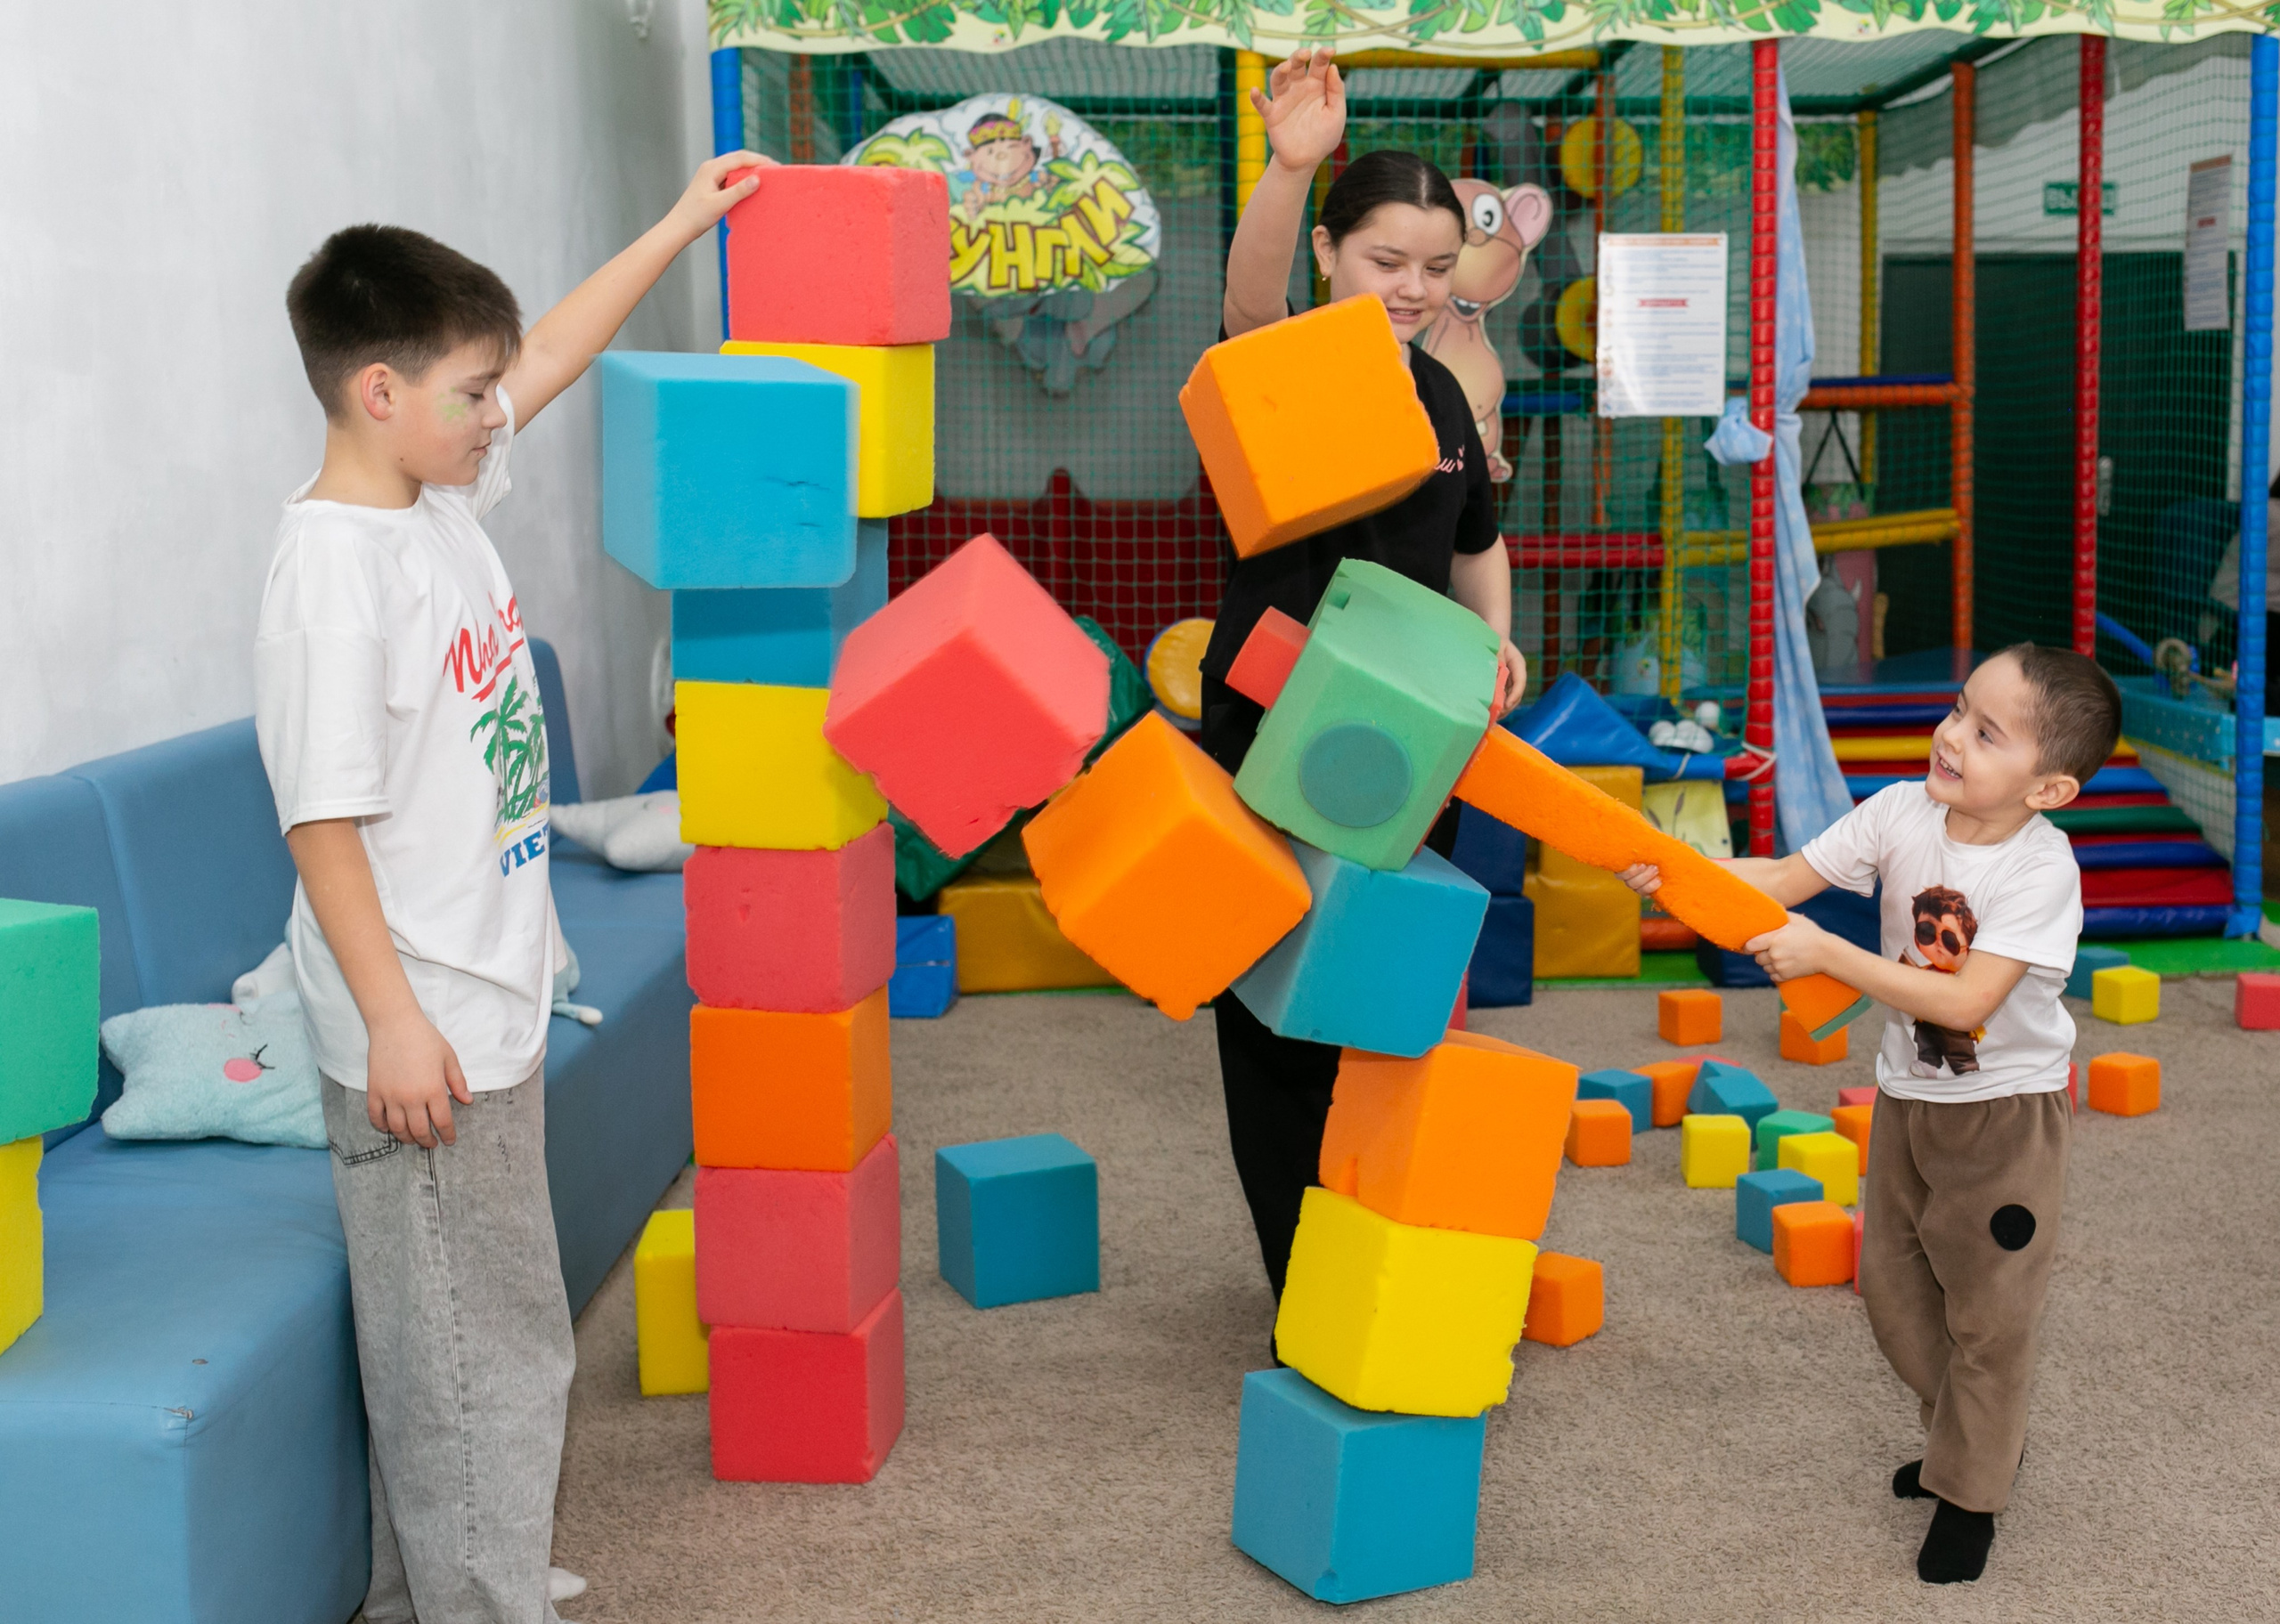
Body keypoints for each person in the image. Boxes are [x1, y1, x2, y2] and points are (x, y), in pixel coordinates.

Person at [254, 153, 770, 1624]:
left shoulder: (434, 496)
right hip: (423, 1024)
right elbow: (322, 822)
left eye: (492, 391)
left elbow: (548, 347)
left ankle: (456, 1567)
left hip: (493, 991)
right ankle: (482, 1592)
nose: (504, 413)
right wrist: (394, 1018)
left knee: (484, 1325)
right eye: (474, 394)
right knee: (475, 1346)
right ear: (377, 394)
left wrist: (678, 221)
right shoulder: (333, 572)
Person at [1622, 643, 2122, 1587]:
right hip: (1908, 1100)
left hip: (2004, 1119)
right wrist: (1676, 870)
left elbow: (1965, 1003)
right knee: (1893, 1297)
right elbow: (1774, 881)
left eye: (1985, 732)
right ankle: (1970, 1442)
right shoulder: (1901, 811)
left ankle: (1971, 1490)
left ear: (2048, 789)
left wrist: (1825, 955)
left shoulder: (2040, 871)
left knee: (1989, 1317)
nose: (1949, 736)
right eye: (1955, 710)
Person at [1199, 47, 1527, 1307]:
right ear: (1332, 252)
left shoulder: (1444, 389)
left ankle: (1378, 1259)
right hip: (1273, 727)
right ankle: (1304, 1284)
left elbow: (1478, 543)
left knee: (1382, 999)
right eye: (1386, 261)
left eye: (1437, 268)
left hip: (1400, 741)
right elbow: (1242, 301)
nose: (1413, 287)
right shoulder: (1287, 361)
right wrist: (1290, 164)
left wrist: (1492, 636)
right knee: (1277, 1004)